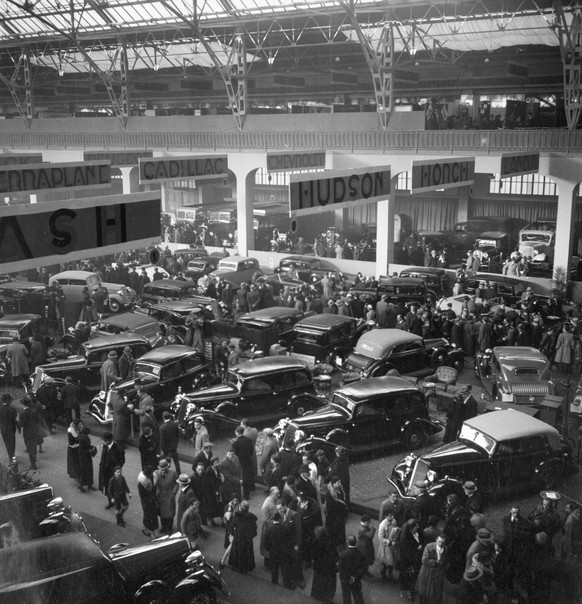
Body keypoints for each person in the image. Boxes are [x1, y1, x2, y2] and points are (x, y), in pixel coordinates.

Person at [264, 510, 295, 587]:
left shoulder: (268, 529)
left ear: (272, 518)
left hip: (273, 552)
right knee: (285, 569)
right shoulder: (285, 528)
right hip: (283, 552)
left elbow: (265, 543)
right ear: (279, 518)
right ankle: (287, 585)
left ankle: (274, 583)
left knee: (274, 569)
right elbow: (290, 540)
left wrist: (269, 549)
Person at [228, 499, 258, 574]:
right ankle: (247, 567)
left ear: (241, 507)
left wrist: (233, 533)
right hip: (248, 538)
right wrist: (252, 535)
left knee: (238, 551)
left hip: (239, 536)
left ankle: (238, 566)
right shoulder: (251, 517)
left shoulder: (237, 516)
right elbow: (254, 528)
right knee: (248, 552)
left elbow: (232, 526)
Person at [311, 526, 338, 604]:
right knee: (330, 588)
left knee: (319, 587)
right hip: (330, 570)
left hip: (319, 570)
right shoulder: (330, 541)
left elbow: (313, 555)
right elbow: (335, 556)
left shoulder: (315, 542)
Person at [98, 431, 125, 508]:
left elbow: (122, 460)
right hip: (105, 472)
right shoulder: (105, 446)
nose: (103, 441)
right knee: (108, 488)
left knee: (116, 488)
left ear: (109, 440)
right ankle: (110, 501)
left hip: (113, 473)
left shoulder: (118, 449)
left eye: (104, 440)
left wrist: (117, 469)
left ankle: (119, 501)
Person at [399, 517, 423, 601]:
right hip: (408, 560)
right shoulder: (406, 538)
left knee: (413, 575)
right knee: (408, 575)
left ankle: (411, 587)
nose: (418, 527)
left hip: (415, 559)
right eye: (416, 526)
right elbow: (408, 550)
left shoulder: (415, 533)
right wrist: (417, 548)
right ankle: (408, 592)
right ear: (412, 528)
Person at [338, 534, 367, 604]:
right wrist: (354, 576)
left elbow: (340, 568)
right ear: (356, 543)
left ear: (347, 542)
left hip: (345, 579)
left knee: (346, 596)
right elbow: (363, 568)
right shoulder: (361, 554)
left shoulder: (343, 554)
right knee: (358, 596)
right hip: (356, 579)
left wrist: (347, 577)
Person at [154, 458, 179, 534]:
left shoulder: (173, 474)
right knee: (162, 513)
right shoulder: (156, 473)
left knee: (170, 513)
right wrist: (156, 492)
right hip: (161, 496)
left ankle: (169, 528)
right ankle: (164, 527)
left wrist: (173, 493)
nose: (163, 470)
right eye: (162, 469)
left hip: (169, 496)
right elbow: (154, 484)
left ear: (168, 468)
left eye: (165, 469)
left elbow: (177, 483)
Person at [231, 424, 255, 499]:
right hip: (248, 461)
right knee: (249, 477)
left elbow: (233, 455)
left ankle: (244, 496)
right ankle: (249, 492)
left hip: (241, 463)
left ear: (237, 433)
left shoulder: (235, 443)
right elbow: (251, 451)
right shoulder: (248, 440)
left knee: (243, 479)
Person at [326, 475, 349, 550]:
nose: (340, 484)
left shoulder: (340, 490)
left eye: (340, 482)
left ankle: (342, 543)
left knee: (341, 530)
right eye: (338, 483)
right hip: (335, 517)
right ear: (333, 484)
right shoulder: (330, 494)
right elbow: (329, 508)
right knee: (336, 531)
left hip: (340, 516)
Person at [17, 395, 40, 470]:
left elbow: (21, 424)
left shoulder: (22, 413)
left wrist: (18, 426)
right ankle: (34, 460)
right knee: (33, 446)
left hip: (27, 432)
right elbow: (37, 421)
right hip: (34, 430)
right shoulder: (34, 411)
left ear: (23, 404)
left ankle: (33, 465)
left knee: (29, 447)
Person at [377, 510, 400, 583]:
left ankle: (390, 576)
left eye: (392, 515)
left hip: (393, 545)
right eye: (390, 516)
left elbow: (395, 530)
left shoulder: (393, 521)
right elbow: (380, 537)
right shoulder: (382, 524)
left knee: (392, 561)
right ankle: (383, 576)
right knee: (385, 562)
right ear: (385, 516)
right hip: (386, 547)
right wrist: (388, 541)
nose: (392, 517)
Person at [137, 464, 159, 538]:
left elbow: (155, 487)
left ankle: (144, 528)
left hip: (152, 499)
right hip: (146, 501)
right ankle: (152, 532)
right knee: (149, 515)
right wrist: (150, 499)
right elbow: (142, 495)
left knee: (148, 515)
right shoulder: (142, 482)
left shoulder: (153, 477)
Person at [0, 393, 19, 462]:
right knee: (12, 444)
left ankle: (10, 456)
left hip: (3, 429)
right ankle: (12, 458)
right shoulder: (12, 409)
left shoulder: (0, 409)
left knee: (7, 443)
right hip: (11, 428)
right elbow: (15, 420)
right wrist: (19, 428)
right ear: (8, 401)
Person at [77, 426, 96, 492]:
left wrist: (92, 447)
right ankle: (84, 486)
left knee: (86, 471)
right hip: (84, 457)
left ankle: (86, 485)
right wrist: (90, 450)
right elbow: (82, 450)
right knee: (86, 472)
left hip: (85, 456)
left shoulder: (83, 438)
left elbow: (87, 446)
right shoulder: (83, 439)